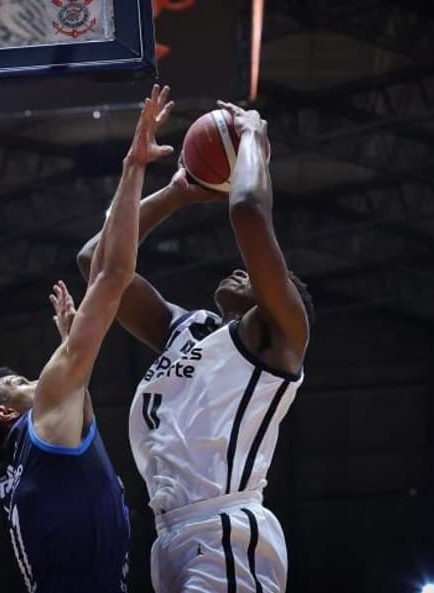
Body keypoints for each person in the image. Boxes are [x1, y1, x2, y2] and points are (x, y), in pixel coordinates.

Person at [77, 102, 315, 593]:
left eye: (257, 275)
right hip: (170, 536)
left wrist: (251, 135)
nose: (241, 270)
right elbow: (97, 263)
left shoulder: (278, 337)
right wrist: (177, 193)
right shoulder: (187, 329)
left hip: (224, 527)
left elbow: (248, 211)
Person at [0, 85, 176, 593]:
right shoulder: (47, 416)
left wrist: (73, 348)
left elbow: (80, 408)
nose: (37, 377)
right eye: (18, 380)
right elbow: (112, 274)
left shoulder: (32, 461)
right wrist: (133, 166)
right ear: (5, 412)